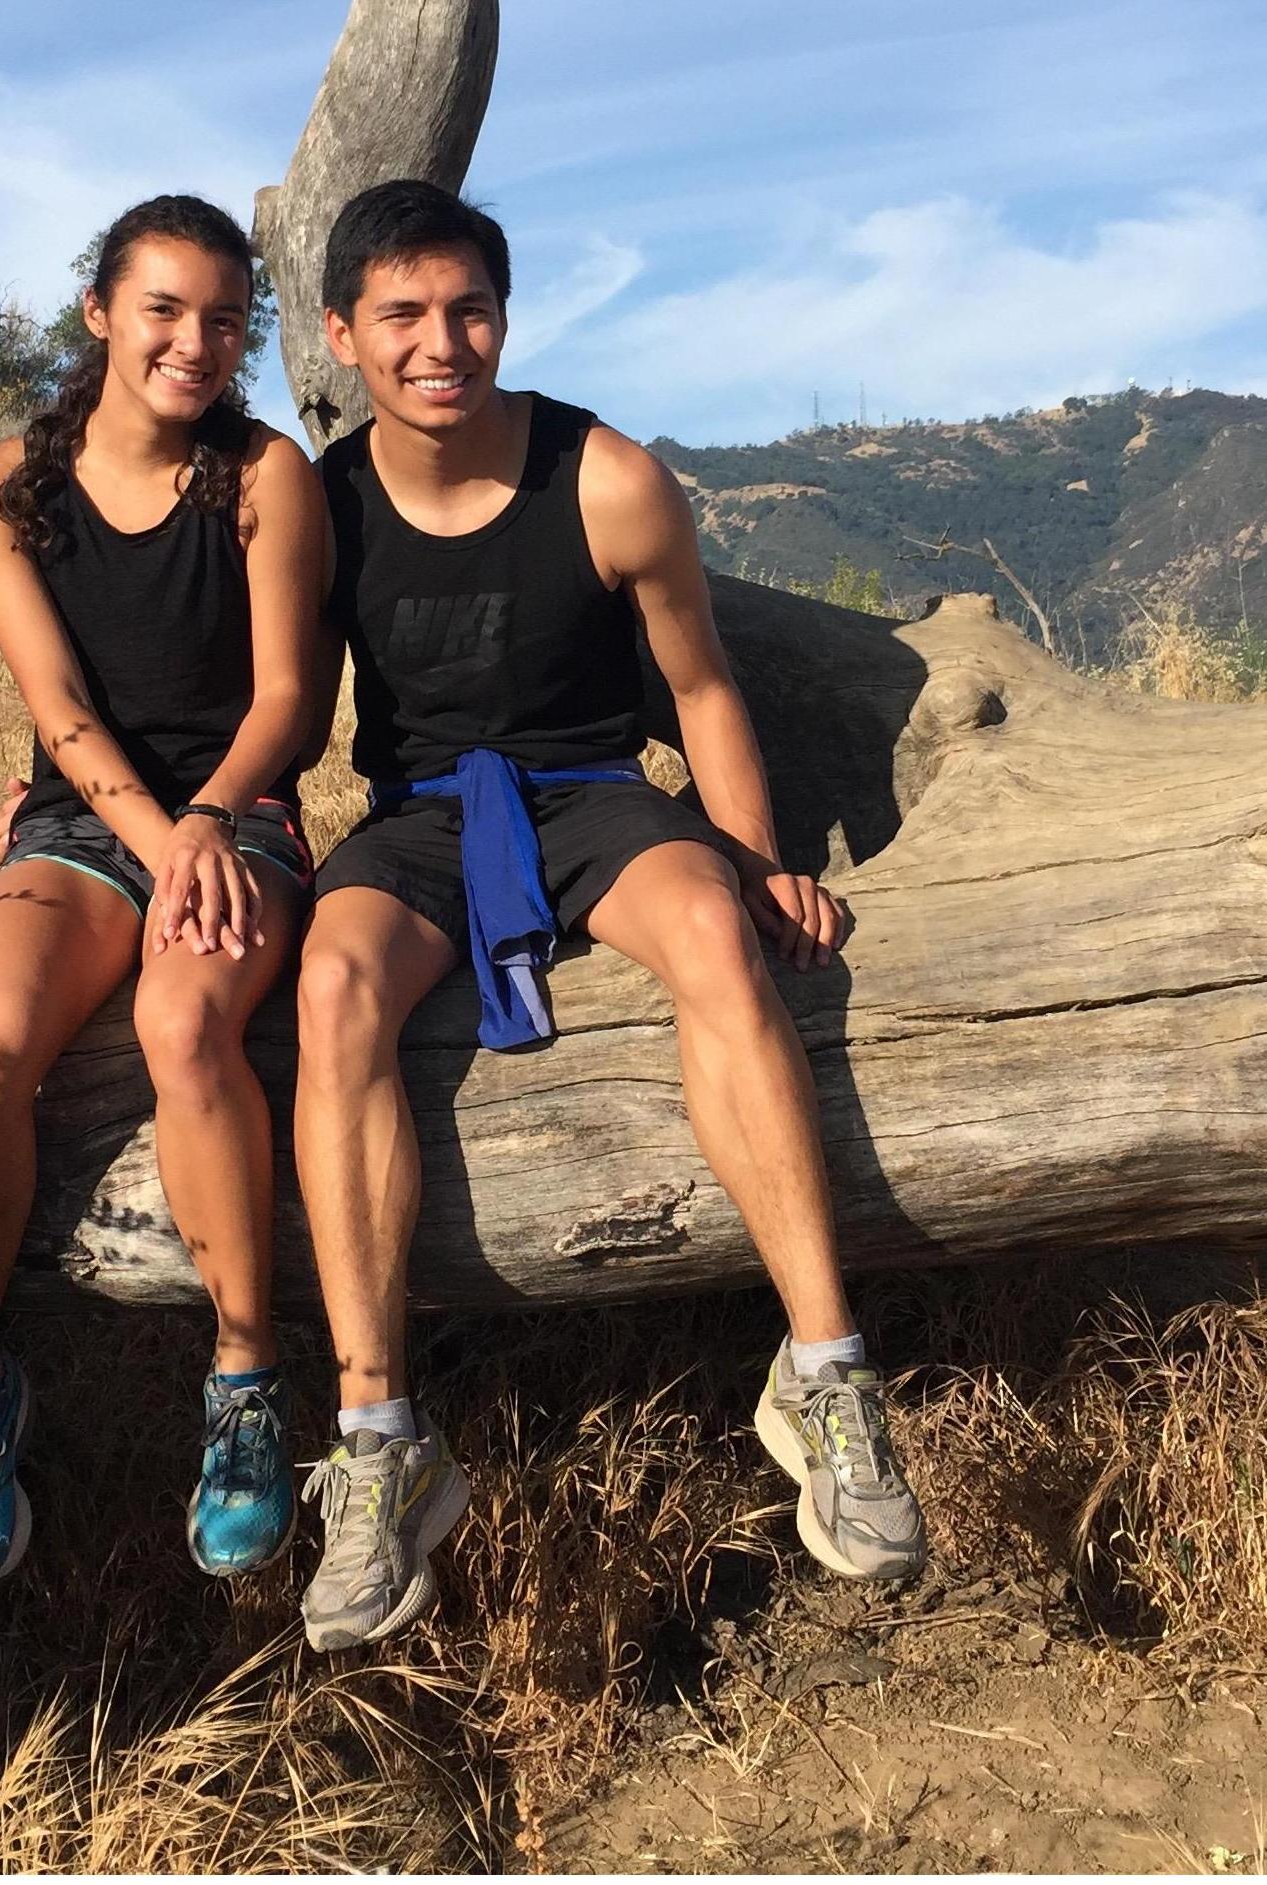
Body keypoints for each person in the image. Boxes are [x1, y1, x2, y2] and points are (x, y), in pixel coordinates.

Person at [290, 178, 925, 1652]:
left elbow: (699, 687)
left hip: (592, 794)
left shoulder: (606, 475)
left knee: (715, 937)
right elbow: (252, 693)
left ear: (503, 315)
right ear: (341, 334)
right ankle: (381, 1438)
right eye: (402, 315)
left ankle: (825, 1373)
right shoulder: (317, 508)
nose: (441, 342)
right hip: (418, 817)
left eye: (468, 309)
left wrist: (755, 856)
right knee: (331, 995)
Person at [0, 196, 326, 1591]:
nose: (195, 342)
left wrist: (212, 820)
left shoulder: (267, 473)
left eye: (225, 319)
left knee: (182, 1027)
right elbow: (59, 705)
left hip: (240, 815)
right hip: (87, 824)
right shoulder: (0, 487)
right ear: (100, 311)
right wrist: (161, 844)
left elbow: (285, 697)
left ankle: (243, 1382)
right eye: (164, 308)